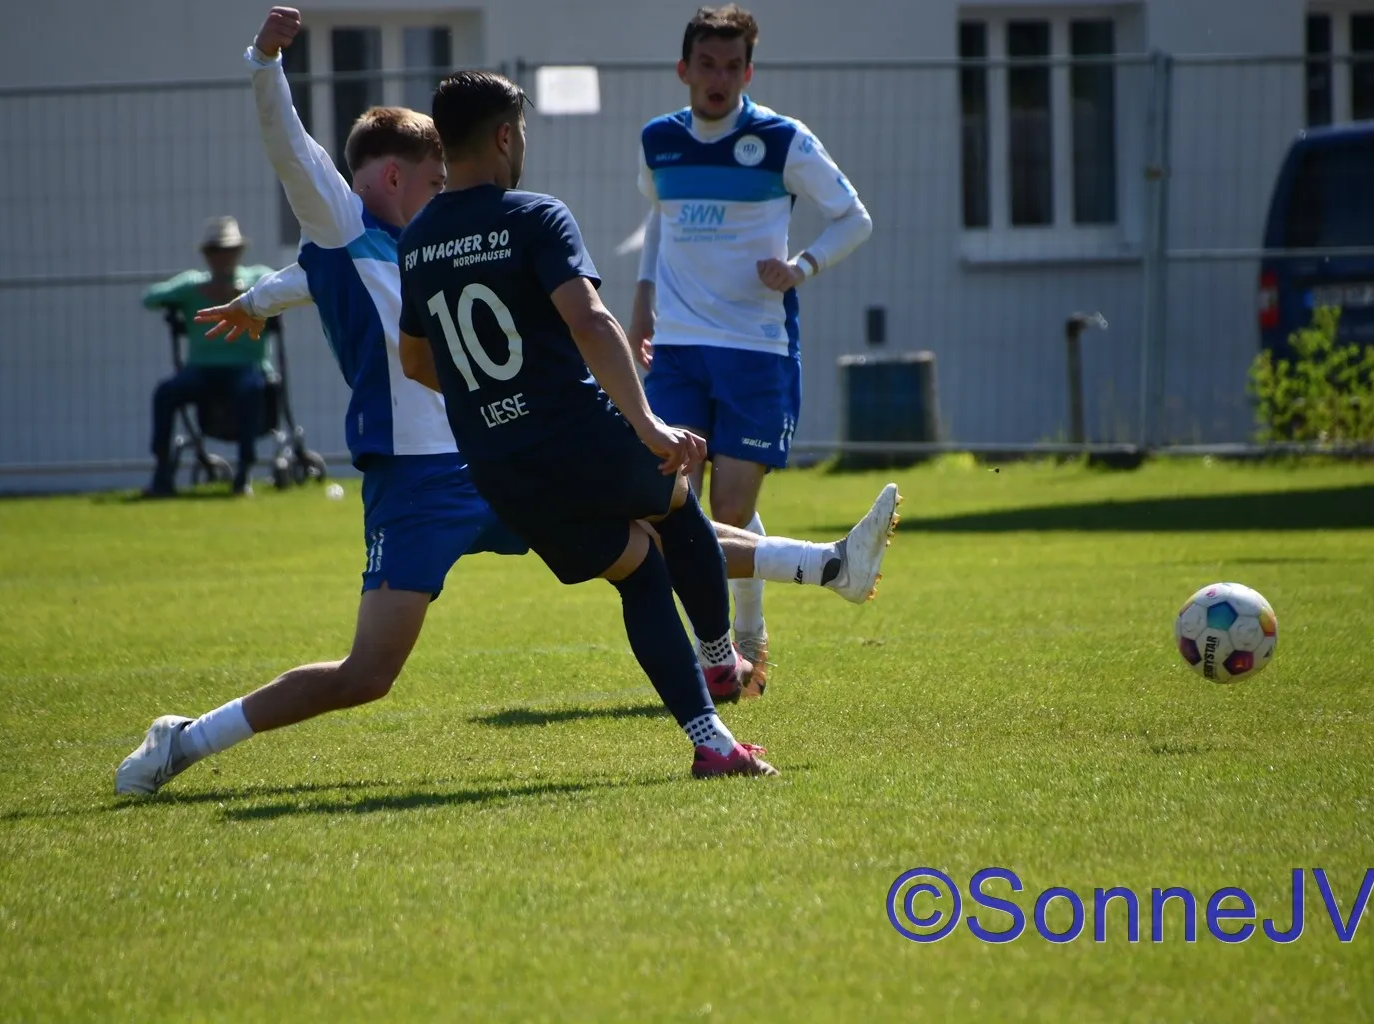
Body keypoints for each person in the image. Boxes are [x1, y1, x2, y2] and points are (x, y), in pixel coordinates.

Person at [115, 8, 896, 796]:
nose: (441, 192)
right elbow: (294, 158)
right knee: (370, 672)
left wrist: (259, 300)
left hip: (487, 458)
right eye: (431, 181)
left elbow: (335, 294)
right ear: (400, 175)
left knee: (649, 538)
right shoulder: (349, 223)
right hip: (418, 481)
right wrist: (265, 63)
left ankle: (820, 577)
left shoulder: (412, 246)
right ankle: (186, 738)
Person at [397, 68, 786, 779]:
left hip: (499, 466)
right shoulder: (535, 215)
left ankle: (711, 741)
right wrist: (649, 424)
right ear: (505, 136)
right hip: (575, 433)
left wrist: (495, 399)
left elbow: (417, 361)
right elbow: (590, 320)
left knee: (637, 573)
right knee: (676, 500)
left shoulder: (417, 239)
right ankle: (717, 658)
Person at [630, 4, 873, 691]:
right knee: (672, 507)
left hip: (755, 348)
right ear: (684, 69)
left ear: (748, 72)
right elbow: (660, 221)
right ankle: (724, 656)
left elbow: (853, 218)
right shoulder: (658, 141)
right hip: (678, 348)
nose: (719, 78)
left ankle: (747, 633)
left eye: (732, 66)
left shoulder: (781, 139)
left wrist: (802, 267)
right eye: (707, 64)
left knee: (728, 513)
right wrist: (641, 308)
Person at [141, 216, 275, 496]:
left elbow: (283, 287)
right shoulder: (192, 284)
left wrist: (246, 294)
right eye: (215, 251)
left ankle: (244, 470)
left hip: (246, 366)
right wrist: (195, 292)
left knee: (251, 390)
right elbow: (150, 298)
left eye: (228, 250)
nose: (222, 257)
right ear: (206, 255)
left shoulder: (257, 278)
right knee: (165, 393)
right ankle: (162, 469)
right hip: (201, 370)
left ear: (238, 252)